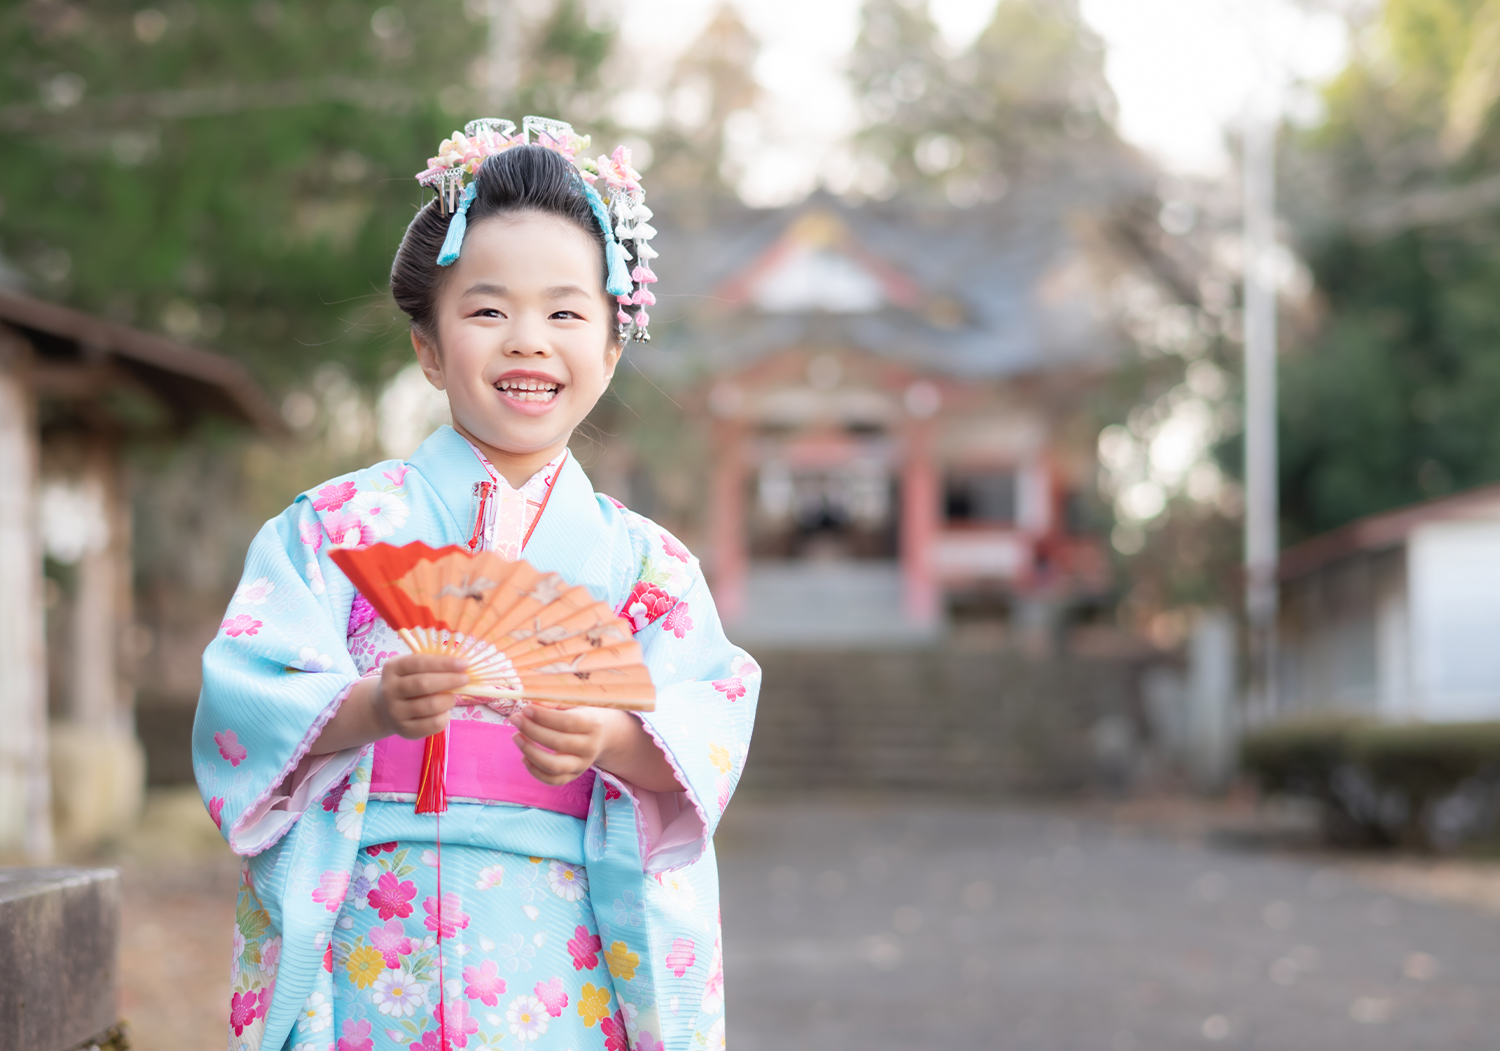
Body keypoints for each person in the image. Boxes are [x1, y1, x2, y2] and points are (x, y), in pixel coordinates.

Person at [195, 117, 758, 1051]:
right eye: (488, 311)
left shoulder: (649, 568)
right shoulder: (333, 531)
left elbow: (712, 724)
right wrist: (371, 705)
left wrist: (614, 735)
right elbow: (244, 698)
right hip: (375, 928)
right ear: (427, 347)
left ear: (612, 351)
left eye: (567, 313)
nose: (528, 341)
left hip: (565, 942)